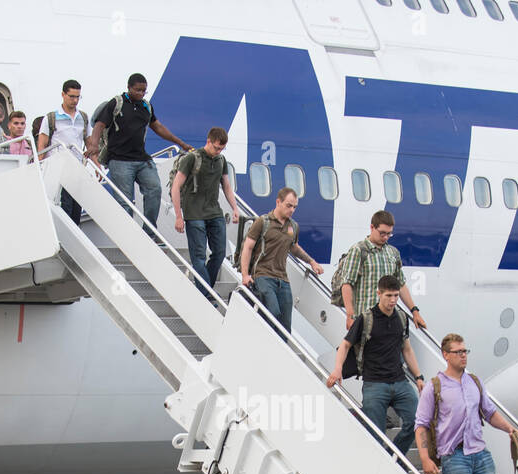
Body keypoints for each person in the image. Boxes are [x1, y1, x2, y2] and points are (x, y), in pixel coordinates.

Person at [415, 333, 517, 474]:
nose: (463, 356)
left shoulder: (474, 382)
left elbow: (489, 412)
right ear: (446, 355)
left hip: (480, 453)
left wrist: (509, 428)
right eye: (458, 352)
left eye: (465, 351)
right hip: (455, 457)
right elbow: (421, 425)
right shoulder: (434, 387)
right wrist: (425, 459)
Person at [326, 275, 425, 455]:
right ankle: (384, 462)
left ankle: (393, 458)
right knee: (375, 434)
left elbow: (407, 349)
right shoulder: (366, 318)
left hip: (399, 381)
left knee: (416, 421)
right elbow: (345, 345)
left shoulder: (402, 317)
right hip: (374, 383)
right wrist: (337, 369)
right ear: (379, 293)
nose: (393, 300)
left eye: (396, 295)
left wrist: (418, 377)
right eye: (389, 296)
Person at [87, 74, 192, 227]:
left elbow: (158, 127)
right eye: (138, 90)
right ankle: (129, 235)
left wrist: (180, 143)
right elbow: (99, 125)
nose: (141, 94)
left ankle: (149, 232)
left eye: (144, 91)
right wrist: (93, 145)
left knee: (154, 190)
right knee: (125, 202)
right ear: (128, 87)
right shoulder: (116, 103)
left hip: (142, 159)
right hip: (119, 159)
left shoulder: (146, 106)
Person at [240, 187, 324, 331]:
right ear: (278, 202)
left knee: (285, 322)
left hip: (282, 279)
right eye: (289, 205)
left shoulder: (293, 226)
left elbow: (294, 247)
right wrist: (245, 275)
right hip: (263, 275)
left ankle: (282, 349)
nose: (292, 210)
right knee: (272, 313)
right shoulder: (263, 222)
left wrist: (311, 261)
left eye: (295, 207)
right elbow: (247, 247)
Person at [335, 211, 427, 331]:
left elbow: (400, 284)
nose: (385, 237)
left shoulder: (393, 253)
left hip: (388, 321)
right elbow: (347, 284)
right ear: (372, 227)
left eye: (389, 234)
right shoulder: (358, 250)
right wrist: (350, 316)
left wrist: (414, 310)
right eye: (382, 233)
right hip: (366, 320)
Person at [171, 127, 239, 287]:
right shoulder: (191, 159)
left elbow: (227, 186)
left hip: (214, 213)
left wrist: (235, 208)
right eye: (216, 147)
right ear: (208, 141)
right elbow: (176, 186)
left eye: (222, 149)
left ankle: (204, 289)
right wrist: (178, 216)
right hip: (194, 215)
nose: (218, 151)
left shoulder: (221, 161)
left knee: (220, 253)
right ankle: (207, 294)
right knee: (199, 257)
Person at [38, 79, 90, 225]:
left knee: (76, 205)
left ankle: (75, 232)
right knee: (65, 203)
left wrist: (97, 163)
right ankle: (68, 235)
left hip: (77, 167)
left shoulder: (83, 117)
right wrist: (39, 166)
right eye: (71, 96)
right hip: (59, 167)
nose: (75, 100)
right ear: (63, 94)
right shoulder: (51, 117)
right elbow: (42, 144)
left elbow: (89, 141)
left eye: (77, 97)